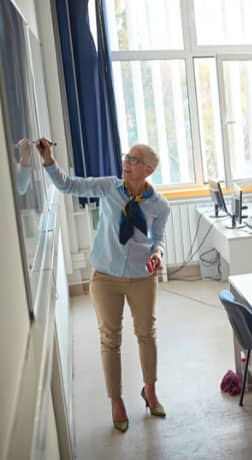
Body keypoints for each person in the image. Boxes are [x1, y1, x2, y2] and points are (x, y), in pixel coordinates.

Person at [36, 139, 170, 433]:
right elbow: (70, 185)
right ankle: (116, 400)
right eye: (126, 157)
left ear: (148, 169)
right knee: (110, 339)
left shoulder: (159, 204)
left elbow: (158, 238)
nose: (126, 162)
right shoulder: (109, 187)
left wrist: (158, 253)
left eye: (134, 160)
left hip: (141, 277)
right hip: (105, 277)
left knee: (146, 334)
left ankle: (150, 391)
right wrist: (48, 160)